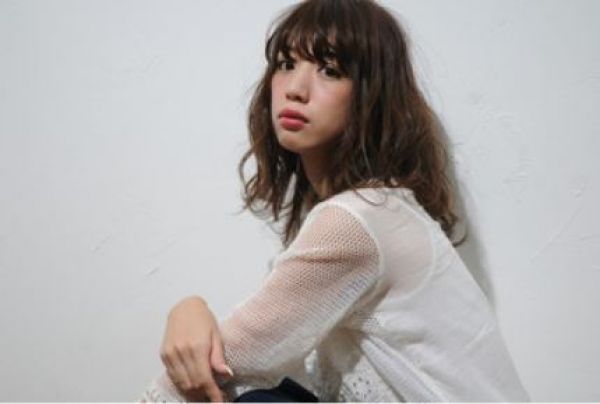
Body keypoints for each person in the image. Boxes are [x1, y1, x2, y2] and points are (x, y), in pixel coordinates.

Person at [139, 0, 530, 402]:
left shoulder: (357, 222)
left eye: (330, 70)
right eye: (286, 64)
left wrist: (187, 313)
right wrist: (188, 309)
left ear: (372, 95)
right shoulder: (380, 208)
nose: (295, 88)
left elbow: (223, 365)